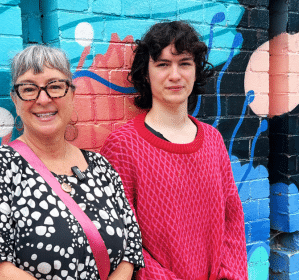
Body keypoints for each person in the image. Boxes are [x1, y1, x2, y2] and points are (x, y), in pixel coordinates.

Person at [0, 44, 144, 280]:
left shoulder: (101, 167)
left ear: (72, 94)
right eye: (29, 89)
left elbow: (131, 247)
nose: (43, 99)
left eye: (55, 86)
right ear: (15, 100)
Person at [100, 21, 248, 280]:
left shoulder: (212, 139)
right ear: (146, 73)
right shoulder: (123, 144)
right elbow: (121, 237)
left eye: (185, 63)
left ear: (195, 71)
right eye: (163, 64)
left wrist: (231, 275)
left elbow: (232, 218)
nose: (175, 75)